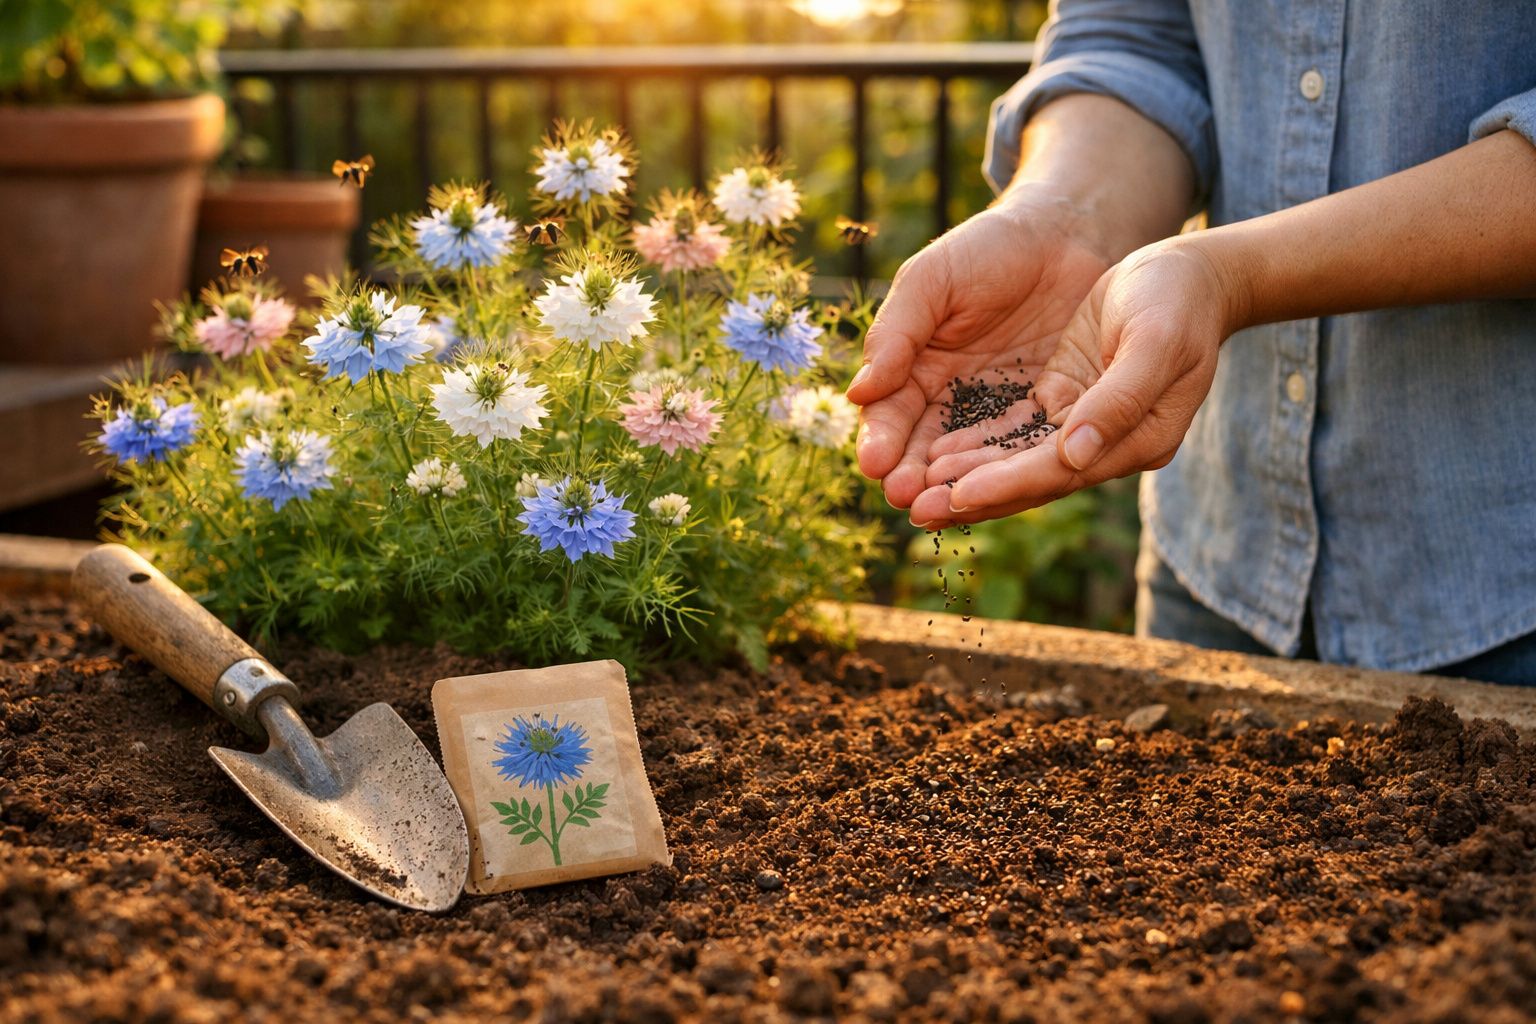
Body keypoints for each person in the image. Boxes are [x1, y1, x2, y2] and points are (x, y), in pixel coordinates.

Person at [846, 2, 1536, 685]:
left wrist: (1229, 274)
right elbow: (1136, 40)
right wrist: (1060, 220)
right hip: (1218, 559)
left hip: (1505, 585)